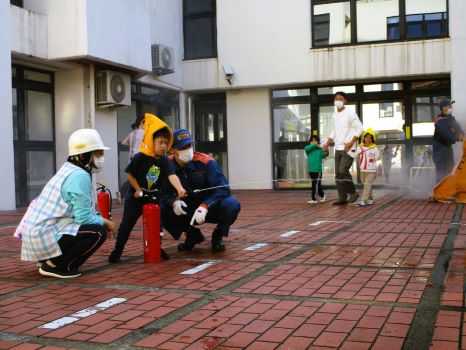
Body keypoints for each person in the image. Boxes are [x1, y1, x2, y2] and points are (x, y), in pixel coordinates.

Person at [14, 129, 114, 279]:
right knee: (98, 232)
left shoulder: (69, 169)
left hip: (37, 234)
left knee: (86, 226)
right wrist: (106, 222)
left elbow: (79, 210)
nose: (101, 158)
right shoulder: (79, 176)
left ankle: (48, 259)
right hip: (43, 235)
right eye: (98, 153)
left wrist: (99, 218)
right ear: (84, 155)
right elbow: (83, 218)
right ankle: (58, 265)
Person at [109, 114, 186, 263]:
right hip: (136, 197)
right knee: (127, 225)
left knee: (157, 226)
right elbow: (130, 175)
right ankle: (117, 251)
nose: (164, 146)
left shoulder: (164, 160)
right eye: (160, 142)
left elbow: (172, 175)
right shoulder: (140, 157)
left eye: (166, 143)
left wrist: (180, 188)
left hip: (154, 197)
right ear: (151, 141)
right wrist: (137, 189)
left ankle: (156, 247)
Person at [162, 129, 241, 253]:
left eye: (189, 145)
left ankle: (218, 235)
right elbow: (163, 192)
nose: (188, 150)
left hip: (210, 206)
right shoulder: (167, 165)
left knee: (232, 204)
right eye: (183, 147)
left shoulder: (207, 162)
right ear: (173, 150)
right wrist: (173, 202)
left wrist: (205, 205)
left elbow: (223, 189)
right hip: (185, 208)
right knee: (160, 207)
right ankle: (192, 235)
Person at [323, 92, 364, 205]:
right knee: (338, 174)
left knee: (343, 170)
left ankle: (353, 193)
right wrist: (327, 142)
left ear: (345, 101)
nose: (338, 101)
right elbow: (335, 130)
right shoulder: (335, 114)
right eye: (336, 99)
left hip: (348, 148)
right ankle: (342, 197)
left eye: (340, 99)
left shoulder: (350, 113)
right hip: (338, 147)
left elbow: (359, 128)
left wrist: (351, 142)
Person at [433, 99, 464, 183]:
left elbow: (459, 129)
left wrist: (462, 135)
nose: (450, 108)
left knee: (450, 171)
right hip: (439, 150)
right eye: (447, 106)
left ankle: (447, 192)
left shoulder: (451, 119)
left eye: (450, 106)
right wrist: (458, 138)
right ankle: (438, 193)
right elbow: (447, 135)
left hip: (447, 149)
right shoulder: (440, 121)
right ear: (442, 108)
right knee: (442, 173)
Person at [356, 129, 380, 207]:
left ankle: (363, 200)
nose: (368, 139)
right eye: (366, 137)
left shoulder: (374, 148)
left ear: (372, 139)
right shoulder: (360, 147)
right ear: (364, 138)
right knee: (367, 184)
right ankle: (370, 198)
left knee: (367, 184)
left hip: (372, 170)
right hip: (362, 169)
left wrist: (373, 158)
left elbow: (378, 157)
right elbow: (355, 154)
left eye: (370, 138)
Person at [304, 135, 328, 204]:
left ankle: (314, 199)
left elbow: (325, 155)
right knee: (315, 184)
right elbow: (307, 148)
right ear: (310, 141)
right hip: (311, 170)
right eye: (312, 140)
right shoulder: (308, 148)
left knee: (316, 184)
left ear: (318, 141)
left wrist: (326, 150)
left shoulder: (319, 150)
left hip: (318, 170)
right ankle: (322, 195)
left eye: (315, 140)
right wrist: (316, 145)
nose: (314, 142)